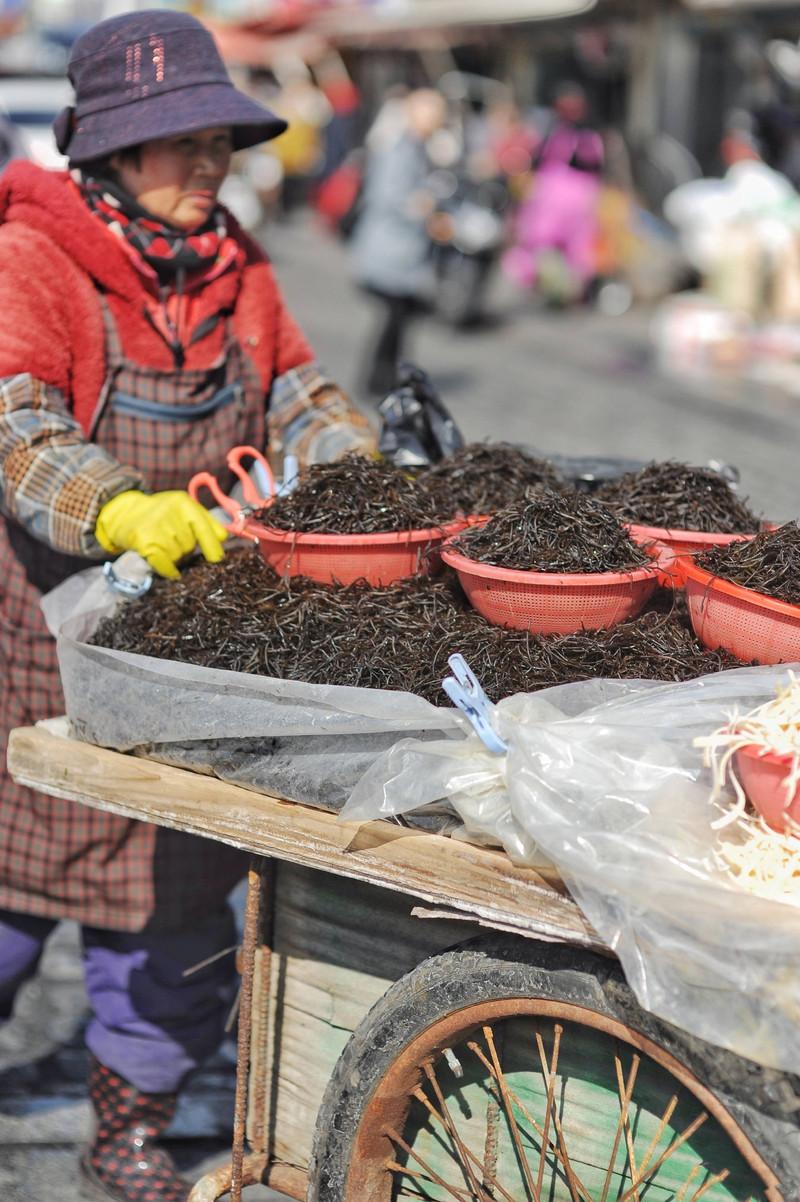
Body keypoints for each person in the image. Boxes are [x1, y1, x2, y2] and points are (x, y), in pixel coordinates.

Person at [0, 11, 374, 1202]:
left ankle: (129, 1125)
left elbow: (302, 395)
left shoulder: (236, 263)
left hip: (189, 658)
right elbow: (12, 419)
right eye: (176, 140)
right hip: (38, 647)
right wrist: (117, 508)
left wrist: (357, 467)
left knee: (169, 921)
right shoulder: (37, 257)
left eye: (216, 135)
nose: (205, 160)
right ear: (107, 152)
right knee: (10, 910)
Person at [350, 88, 447, 397]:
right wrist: (424, 209)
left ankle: (388, 378)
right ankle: (380, 381)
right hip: (391, 250)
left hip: (403, 251)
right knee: (393, 319)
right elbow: (390, 196)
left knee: (398, 320)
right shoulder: (400, 148)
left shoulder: (417, 148)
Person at [503, 82, 604, 303]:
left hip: (575, 201)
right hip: (552, 199)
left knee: (576, 249)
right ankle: (546, 287)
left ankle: (572, 292)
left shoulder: (589, 135)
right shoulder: (550, 131)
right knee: (539, 244)